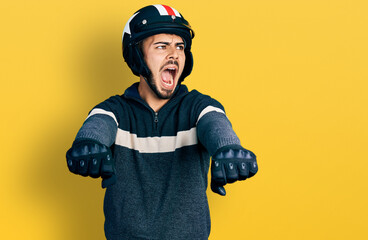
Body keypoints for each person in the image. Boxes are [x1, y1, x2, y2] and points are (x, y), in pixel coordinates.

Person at [66, 4, 258, 240]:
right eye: (161, 46)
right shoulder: (114, 110)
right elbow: (97, 126)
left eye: (180, 46)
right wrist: (88, 144)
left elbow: (215, 124)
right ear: (137, 55)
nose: (174, 54)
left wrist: (228, 147)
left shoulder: (197, 106)